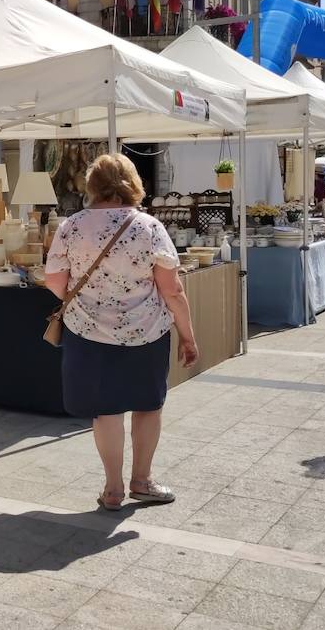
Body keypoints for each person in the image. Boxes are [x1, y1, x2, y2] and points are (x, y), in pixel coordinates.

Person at [45, 154, 198, 512]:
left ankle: (113, 489)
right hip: (147, 331)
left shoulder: (71, 226)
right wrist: (188, 335)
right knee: (148, 405)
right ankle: (142, 481)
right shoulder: (149, 227)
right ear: (133, 183)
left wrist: (90, 297)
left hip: (89, 332)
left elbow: (54, 282)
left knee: (106, 411)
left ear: (92, 186)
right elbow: (172, 290)